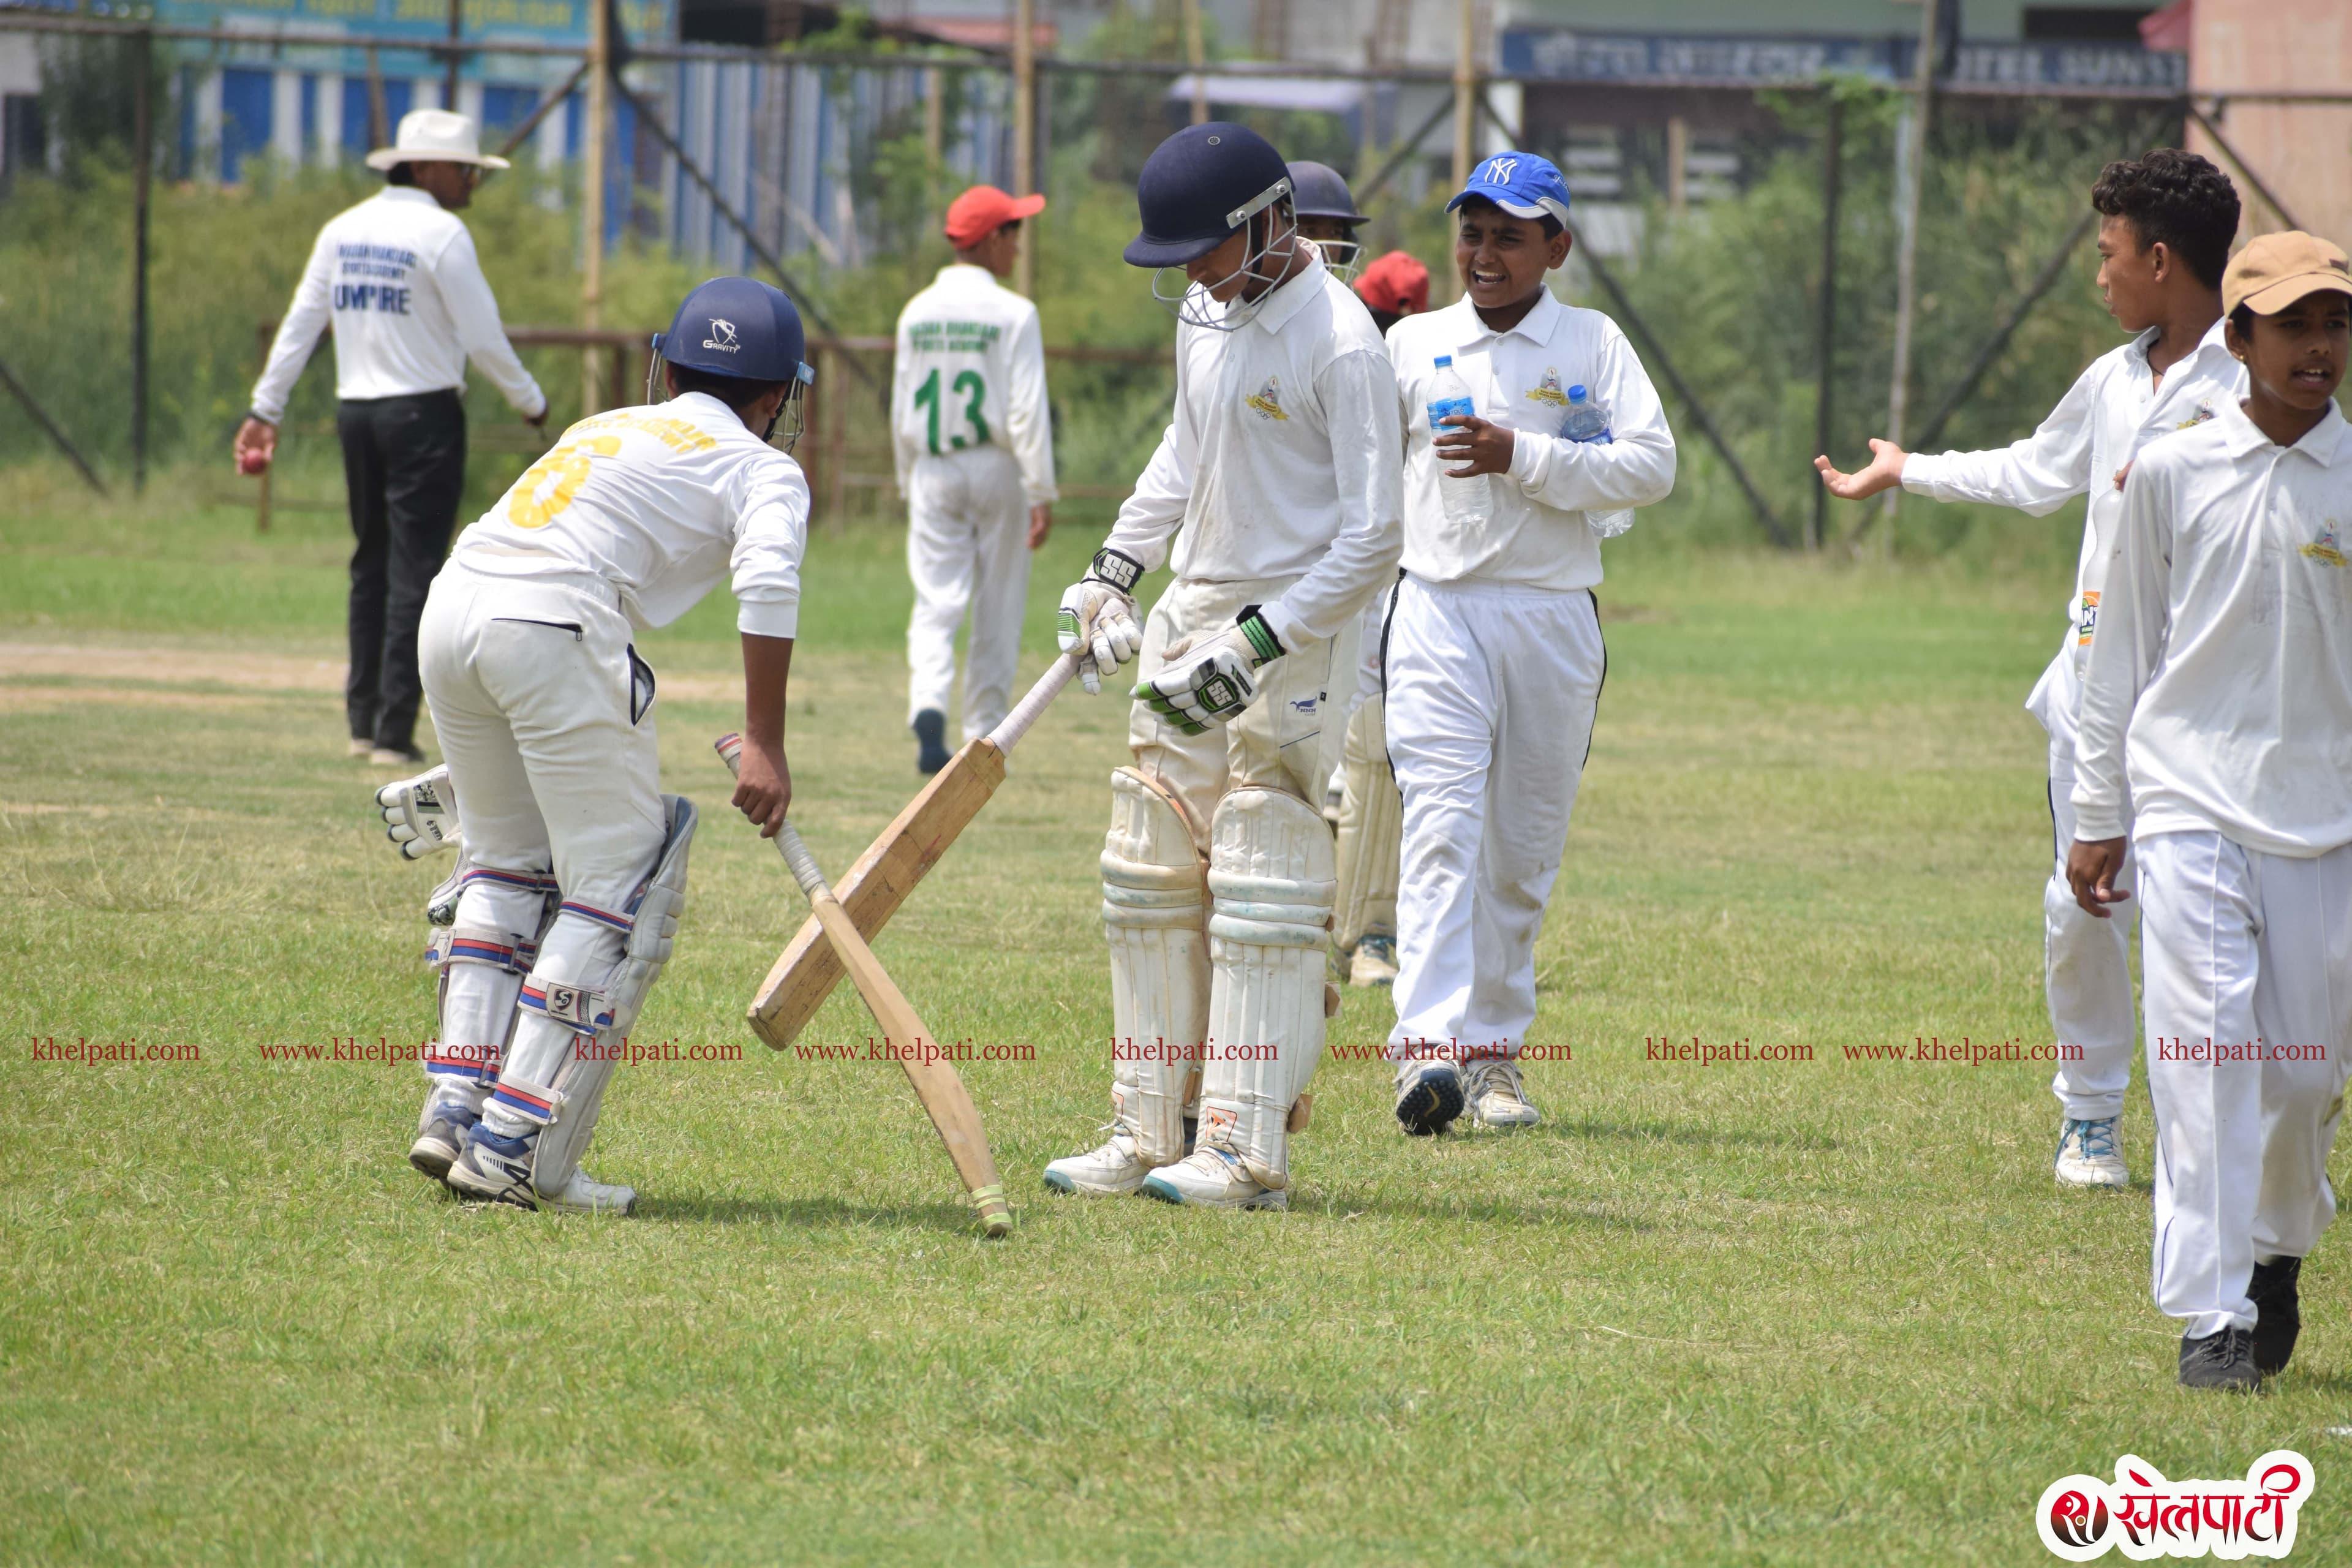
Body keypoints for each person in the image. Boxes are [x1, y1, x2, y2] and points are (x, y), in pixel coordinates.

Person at [1814, 150, 2244, 1189]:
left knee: (2210, 926)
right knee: (2078, 905)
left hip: (2214, 698)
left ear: (2158, 257)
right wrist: (1909, 468)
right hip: (2098, 685)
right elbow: (2036, 471)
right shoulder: (2111, 379)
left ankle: (2221, 1126)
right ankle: (2091, 1115)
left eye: (2107, 255)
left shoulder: (2253, 380)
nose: (2098, 277)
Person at [378, 276, 813, 1214]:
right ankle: (510, 1142)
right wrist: (769, 742)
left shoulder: (604, 425)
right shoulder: (763, 466)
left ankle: (454, 1104)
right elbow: (769, 585)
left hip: (452, 607)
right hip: (550, 622)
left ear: (667, 365)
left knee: (503, 860)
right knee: (616, 877)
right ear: (776, 394)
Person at [1041, 123, 1405, 1208]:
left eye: (1208, 246)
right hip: (1196, 598)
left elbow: (1374, 535)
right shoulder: (1209, 309)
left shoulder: (1340, 340)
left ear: (1273, 219)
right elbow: (1184, 450)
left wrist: (1261, 641)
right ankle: (1146, 1130)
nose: (1194, 272)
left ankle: (1249, 1152)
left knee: (1262, 868)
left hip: (1293, 624)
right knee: (1148, 863)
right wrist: (1113, 572)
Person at [2067, 232, 2352, 1390]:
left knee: (2300, 1077)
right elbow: (2117, 649)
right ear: (2238, 339)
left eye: (2335, 324)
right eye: (2293, 325)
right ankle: (2214, 1314)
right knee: (2208, 1055)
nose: (2320, 347)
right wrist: (2101, 807)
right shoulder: (2172, 469)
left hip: (2325, 816)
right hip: (2186, 796)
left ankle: (2277, 1247)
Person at [1382, 152, 1675, 1134]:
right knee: (1439, 830)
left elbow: (1651, 466)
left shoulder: (1591, 342)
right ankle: (1425, 1056)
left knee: (1518, 851)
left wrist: (1526, 456)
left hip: (1552, 616)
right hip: (1435, 611)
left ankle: (1494, 1057)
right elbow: (1365, 476)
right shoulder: (1414, 342)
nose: (1485, 253)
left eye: (1510, 235)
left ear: (1557, 244)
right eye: (1473, 231)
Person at [236, 108, 549, 767]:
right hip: (424, 416)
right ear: (430, 168)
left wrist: (267, 408)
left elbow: (301, 324)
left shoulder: (343, 230)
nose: (472, 184)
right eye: (468, 171)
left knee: (369, 562)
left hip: (357, 415)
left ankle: (361, 718)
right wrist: (531, 401)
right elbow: (483, 338)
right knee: (416, 572)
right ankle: (391, 733)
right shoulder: (442, 234)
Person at [893, 184, 1059, 774]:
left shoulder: (917, 312)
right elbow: (1025, 411)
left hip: (933, 463)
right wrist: (1041, 489)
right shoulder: (1014, 313)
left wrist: (906, 477)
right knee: (998, 600)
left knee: (936, 599)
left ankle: (928, 706)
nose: (1018, 246)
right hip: (996, 465)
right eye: (1014, 232)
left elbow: (901, 404)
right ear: (991, 240)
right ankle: (982, 732)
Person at [1329, 247, 1430, 989]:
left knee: (1373, 744)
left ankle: (1369, 931)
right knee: (1361, 744)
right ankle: (1360, 929)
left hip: (1387, 572)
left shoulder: (1374, 352)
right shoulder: (1354, 353)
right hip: (1348, 570)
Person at [1287, 159, 1368, 285]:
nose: (1328, 249)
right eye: (1309, 230)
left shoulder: (1346, 304)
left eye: (1335, 232)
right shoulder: (1251, 302)